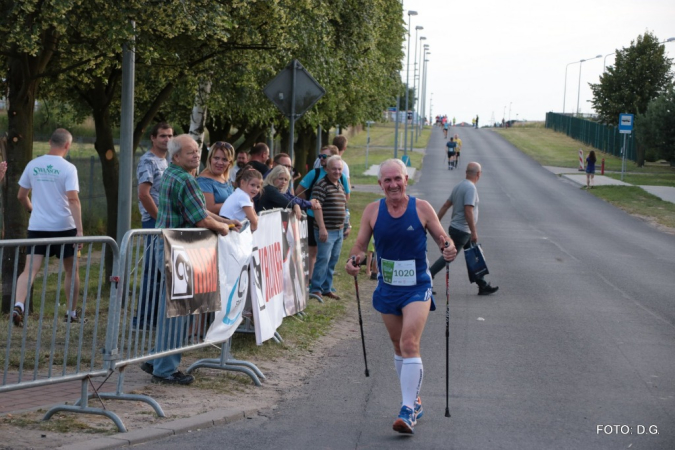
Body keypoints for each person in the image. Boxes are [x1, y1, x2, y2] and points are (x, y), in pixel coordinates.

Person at [345, 158, 457, 434]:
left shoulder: (421, 208)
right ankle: (415, 401)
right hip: (388, 286)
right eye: (388, 180)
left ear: (406, 180)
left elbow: (443, 238)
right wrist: (354, 260)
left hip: (417, 286)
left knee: (409, 342)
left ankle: (407, 411)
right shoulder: (373, 211)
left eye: (398, 179)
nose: (393, 184)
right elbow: (360, 245)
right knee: (398, 346)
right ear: (380, 183)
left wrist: (448, 248)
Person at [142, 134, 236, 385]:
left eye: (197, 151)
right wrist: (224, 229)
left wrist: (225, 221)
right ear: (176, 157)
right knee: (179, 313)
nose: (196, 155)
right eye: (190, 152)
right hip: (180, 249)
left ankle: (157, 359)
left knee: (170, 311)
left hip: (171, 247)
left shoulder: (175, 175)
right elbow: (201, 219)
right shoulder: (186, 179)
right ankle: (165, 369)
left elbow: (198, 209)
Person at [12, 129, 84, 327]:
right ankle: (71, 312)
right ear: (67, 145)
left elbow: (21, 195)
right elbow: (73, 199)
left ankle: (19, 304)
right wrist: (79, 231)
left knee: (30, 270)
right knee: (71, 270)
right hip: (64, 227)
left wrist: (31, 210)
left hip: (38, 227)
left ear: (50, 142)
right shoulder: (69, 168)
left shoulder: (33, 165)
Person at [429, 162, 499, 296]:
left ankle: (482, 284)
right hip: (462, 230)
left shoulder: (459, 186)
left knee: (472, 255)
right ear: (478, 174)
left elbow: (446, 205)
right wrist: (474, 232)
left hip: (456, 228)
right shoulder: (471, 188)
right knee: (448, 257)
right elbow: (468, 210)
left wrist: (435, 221)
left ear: (466, 172)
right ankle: (427, 278)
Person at [135, 122, 173, 328]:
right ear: (153, 138)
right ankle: (143, 320)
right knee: (152, 272)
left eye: (169, 136)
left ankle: (154, 317)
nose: (167, 139)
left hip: (165, 220)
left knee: (161, 272)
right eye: (162, 136)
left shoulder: (166, 161)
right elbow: (144, 193)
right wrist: (159, 219)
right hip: (154, 221)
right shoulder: (148, 161)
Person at [296, 145, 350, 280]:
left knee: (330, 256)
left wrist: (346, 222)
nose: (321, 159)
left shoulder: (341, 177)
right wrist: (311, 205)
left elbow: (345, 199)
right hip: (313, 218)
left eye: (324, 156)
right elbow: (299, 192)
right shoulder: (315, 174)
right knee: (314, 251)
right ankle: (312, 282)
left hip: (334, 224)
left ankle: (322, 283)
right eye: (320, 156)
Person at [310, 156, 347, 301]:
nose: (337, 171)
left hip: (338, 230)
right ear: (328, 169)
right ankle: (316, 289)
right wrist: (322, 228)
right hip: (326, 230)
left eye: (339, 169)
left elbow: (344, 206)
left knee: (333, 260)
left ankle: (327, 288)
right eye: (334, 169)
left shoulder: (340, 184)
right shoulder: (321, 185)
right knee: (323, 259)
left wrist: (346, 225)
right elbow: (317, 208)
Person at [197, 141, 235, 214]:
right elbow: (209, 209)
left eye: (224, 159)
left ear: (229, 162)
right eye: (216, 158)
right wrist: (236, 204)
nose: (220, 162)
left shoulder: (225, 178)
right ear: (210, 159)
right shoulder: (204, 180)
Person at [220, 167, 262, 231]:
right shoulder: (243, 196)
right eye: (252, 185)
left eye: (258, 187)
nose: (255, 189)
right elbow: (253, 220)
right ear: (242, 183)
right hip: (228, 227)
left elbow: (253, 216)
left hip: (227, 226)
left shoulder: (240, 193)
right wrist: (253, 229)